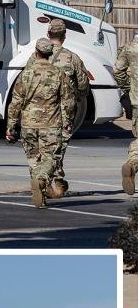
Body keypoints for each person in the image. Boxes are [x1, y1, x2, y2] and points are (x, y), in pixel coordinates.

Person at [6, 37, 76, 208]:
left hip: (28, 124)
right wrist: (68, 121)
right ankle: (42, 180)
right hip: (51, 124)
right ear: (50, 54)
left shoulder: (25, 74)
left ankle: (41, 196)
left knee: (33, 159)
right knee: (51, 158)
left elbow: (15, 102)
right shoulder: (59, 74)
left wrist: (11, 126)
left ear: (36, 53)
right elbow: (69, 101)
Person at [41, 19, 90, 197]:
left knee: (44, 146)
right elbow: (84, 85)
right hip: (62, 111)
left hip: (39, 109)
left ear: (48, 34)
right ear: (65, 36)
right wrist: (76, 95)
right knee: (58, 147)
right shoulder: (72, 57)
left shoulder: (37, 56)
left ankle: (52, 180)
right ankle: (51, 180)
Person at [112, 35, 138, 194]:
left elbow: (118, 70)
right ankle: (132, 164)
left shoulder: (130, 48)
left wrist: (127, 90)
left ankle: (132, 163)